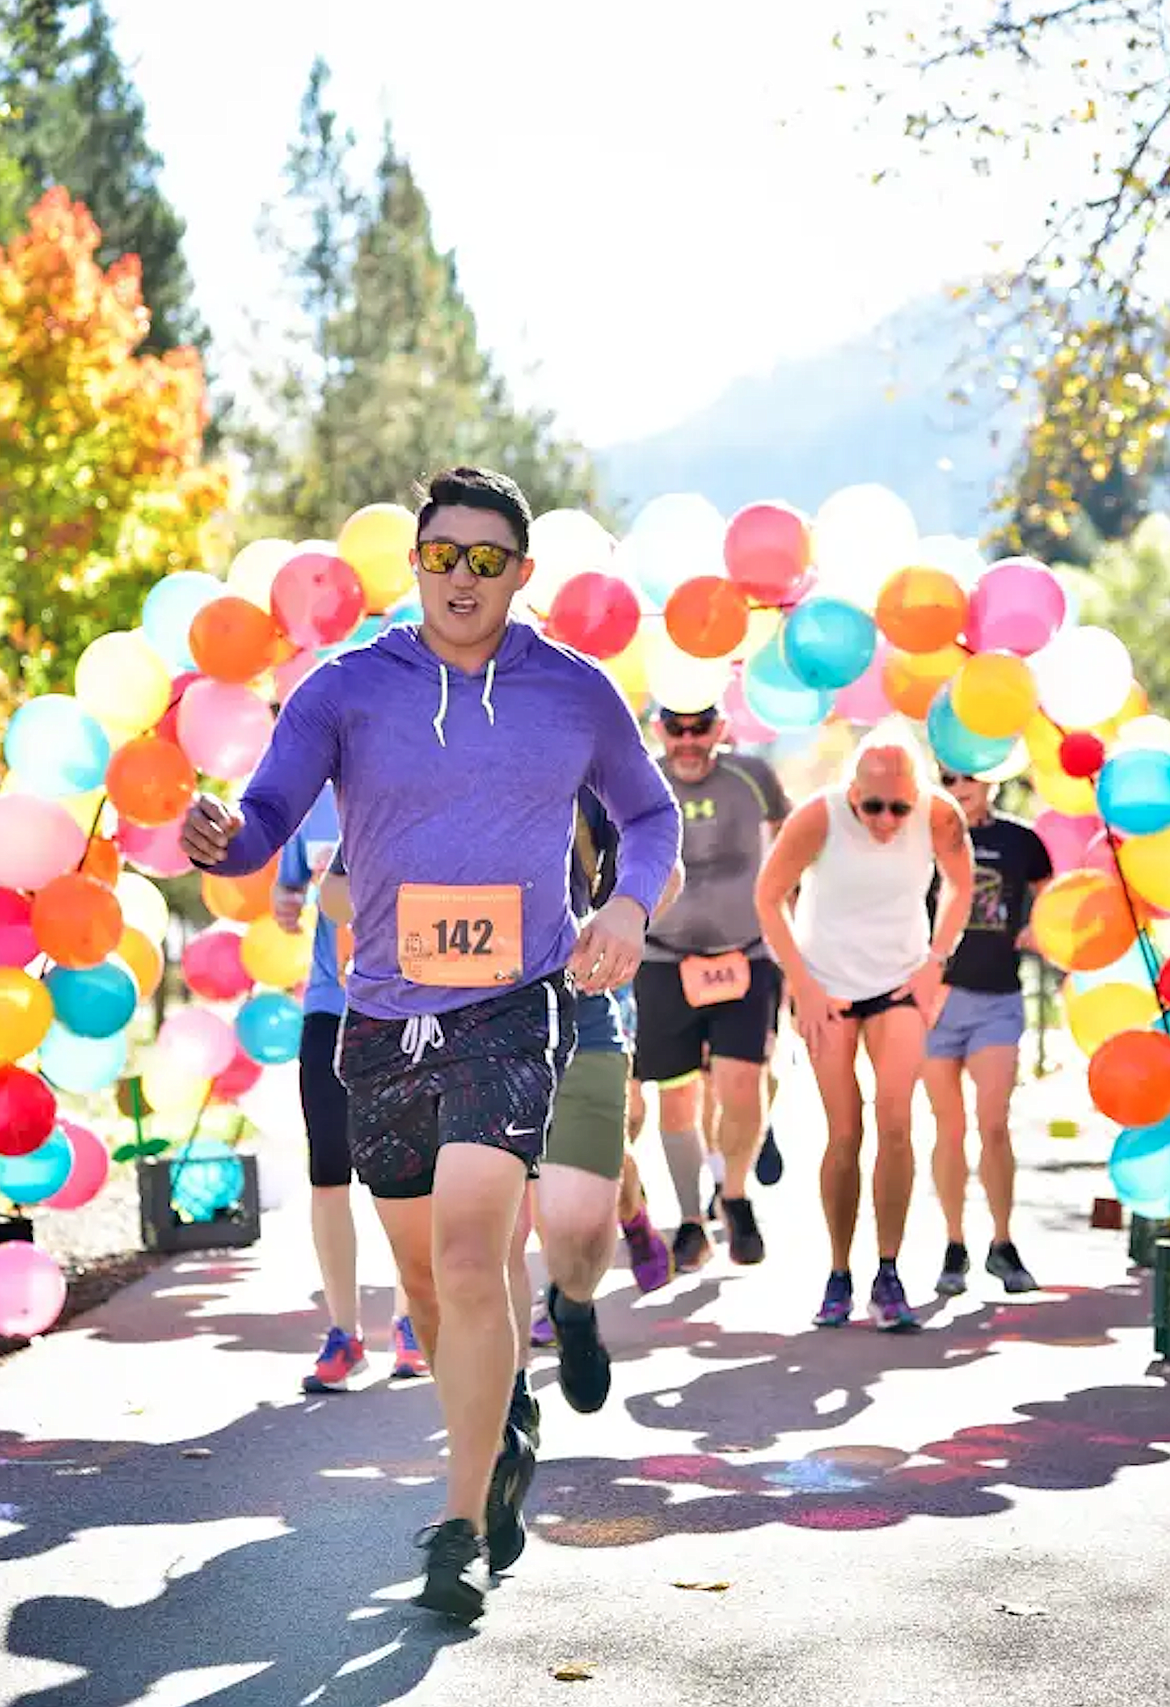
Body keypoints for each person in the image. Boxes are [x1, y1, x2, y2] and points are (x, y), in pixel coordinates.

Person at [179, 466, 680, 1626]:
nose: (463, 576)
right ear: (414, 565)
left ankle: (455, 1526)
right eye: (442, 555)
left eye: (486, 558)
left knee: (470, 1250)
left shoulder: (574, 692)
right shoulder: (348, 687)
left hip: (517, 1006)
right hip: (382, 1018)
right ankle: (500, 1422)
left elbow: (648, 816)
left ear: (521, 573)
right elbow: (265, 817)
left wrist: (627, 905)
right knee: (425, 1285)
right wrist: (220, 840)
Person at [755, 727, 974, 1331]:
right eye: (871, 805)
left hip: (899, 983)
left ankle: (888, 1270)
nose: (884, 819)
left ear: (918, 795)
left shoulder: (939, 816)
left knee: (897, 1123)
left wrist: (936, 964)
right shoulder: (818, 818)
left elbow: (962, 886)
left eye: (898, 807)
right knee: (844, 1131)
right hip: (827, 986)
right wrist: (801, 984)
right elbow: (769, 896)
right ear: (851, 792)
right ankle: (837, 1271)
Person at [507, 790, 683, 1424]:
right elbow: (343, 884)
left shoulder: (581, 745)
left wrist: (621, 921)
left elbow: (666, 862)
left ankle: (573, 1303)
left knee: (578, 1238)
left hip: (577, 1012)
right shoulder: (425, 735)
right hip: (462, 1020)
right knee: (494, 1231)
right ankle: (505, 1404)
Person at [274, 785, 426, 1391]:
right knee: (329, 1171)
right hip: (330, 1006)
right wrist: (288, 902)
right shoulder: (306, 801)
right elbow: (288, 888)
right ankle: (344, 1334)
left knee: (412, 1174)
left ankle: (412, 1321)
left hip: (408, 1003)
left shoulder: (414, 781)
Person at [629, 704, 789, 1272]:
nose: (690, 741)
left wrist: (790, 943)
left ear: (722, 729)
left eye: (702, 728)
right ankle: (691, 1219)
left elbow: (789, 853)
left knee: (742, 1082)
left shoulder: (754, 777)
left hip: (744, 955)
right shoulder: (639, 777)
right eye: (678, 729)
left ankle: (736, 1194)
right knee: (677, 1096)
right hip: (662, 960)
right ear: (660, 731)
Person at [925, 769, 1053, 1296]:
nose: (959, 786)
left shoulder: (1021, 840)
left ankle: (1002, 1244)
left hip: (998, 998)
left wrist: (1039, 925)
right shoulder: (924, 833)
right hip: (935, 1001)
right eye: (948, 777)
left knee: (994, 1123)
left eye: (970, 776)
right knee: (948, 1128)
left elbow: (1055, 895)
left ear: (993, 778)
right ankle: (954, 1246)